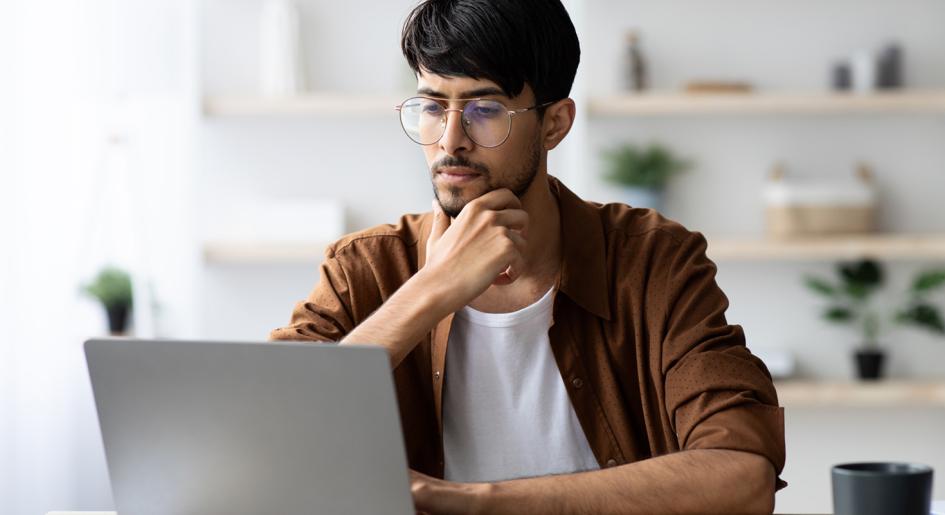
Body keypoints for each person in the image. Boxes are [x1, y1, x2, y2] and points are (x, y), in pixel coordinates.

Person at [271, 0, 785, 512]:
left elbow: (741, 476)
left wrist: (469, 501)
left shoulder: (652, 261)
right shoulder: (364, 267)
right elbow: (262, 441)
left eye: (485, 109)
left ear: (555, 124)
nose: (451, 140)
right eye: (432, 107)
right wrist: (433, 288)